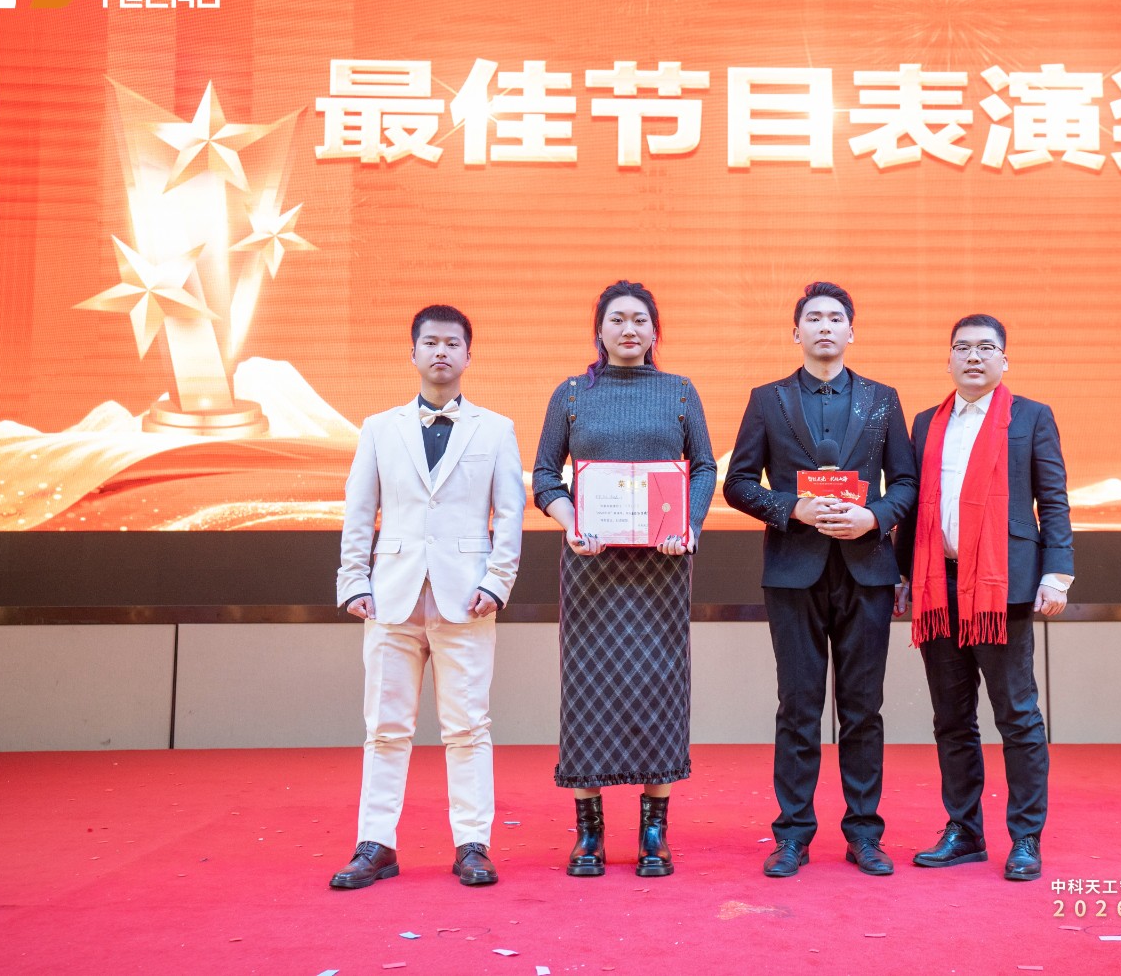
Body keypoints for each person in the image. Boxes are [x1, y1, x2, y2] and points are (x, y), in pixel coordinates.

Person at [722, 281, 917, 878]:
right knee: (798, 707)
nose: (825, 326)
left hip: (867, 572)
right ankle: (792, 835)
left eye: (836, 317)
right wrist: (793, 508)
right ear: (797, 332)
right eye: (814, 318)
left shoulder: (883, 399)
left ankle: (864, 834)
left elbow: (907, 483)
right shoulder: (768, 400)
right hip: (793, 573)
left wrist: (873, 517)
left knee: (863, 708)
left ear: (851, 332)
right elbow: (737, 484)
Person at [329, 304, 524, 890]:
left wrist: (497, 582)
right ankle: (375, 844)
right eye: (431, 342)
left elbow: (510, 513)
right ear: (412, 353)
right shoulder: (378, 428)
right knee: (385, 728)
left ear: (469, 355)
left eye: (452, 343)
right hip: (391, 595)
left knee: (469, 727)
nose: (441, 352)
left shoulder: (496, 429)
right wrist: (353, 580)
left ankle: (472, 845)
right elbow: (360, 510)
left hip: (468, 599)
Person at [532, 279, 717, 877]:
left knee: (660, 685)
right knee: (588, 689)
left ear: (655, 331)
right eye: (617, 319)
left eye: (640, 319)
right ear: (599, 330)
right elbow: (544, 477)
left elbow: (704, 467)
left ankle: (654, 831)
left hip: (662, 565)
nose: (629, 329)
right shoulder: (571, 394)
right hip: (592, 566)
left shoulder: (680, 392)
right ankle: (588, 831)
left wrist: (687, 524)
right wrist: (571, 523)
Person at [894, 313, 1073, 882]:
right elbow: (912, 506)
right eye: (962, 348)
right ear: (948, 359)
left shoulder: (1032, 417)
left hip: (1003, 587)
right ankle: (964, 832)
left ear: (1004, 360)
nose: (973, 357)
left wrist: (1057, 573)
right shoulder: (926, 423)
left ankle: (1026, 837)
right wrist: (902, 576)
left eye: (985, 348)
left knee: (1017, 717)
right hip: (938, 586)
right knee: (951, 719)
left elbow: (1054, 500)